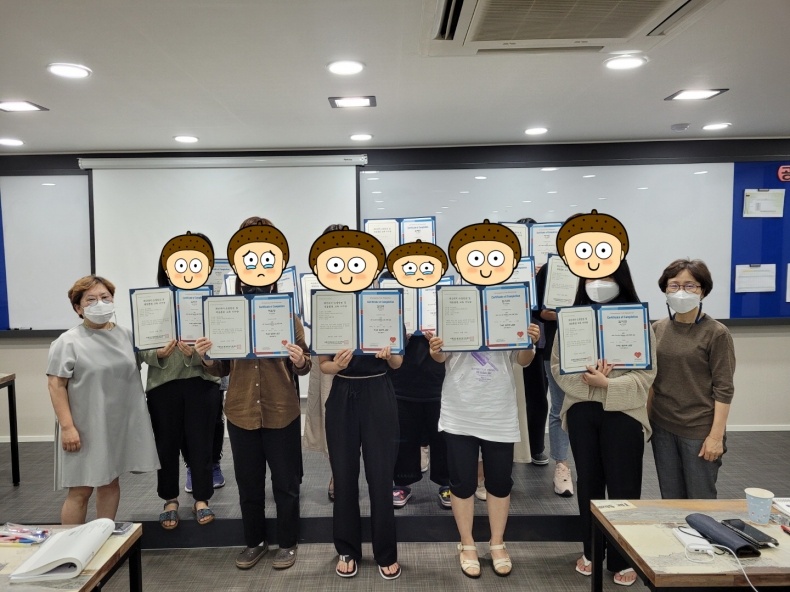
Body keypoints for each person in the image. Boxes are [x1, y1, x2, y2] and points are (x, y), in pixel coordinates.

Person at [195, 216, 311, 572]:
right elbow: (220, 368)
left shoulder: (287, 313)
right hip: (241, 411)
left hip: (282, 409)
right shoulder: (226, 314)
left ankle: (287, 543)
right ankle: (254, 542)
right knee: (248, 484)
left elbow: (304, 364)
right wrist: (206, 356)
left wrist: (299, 359)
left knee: (285, 483)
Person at [550, 258, 656, 587]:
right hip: (582, 411)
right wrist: (591, 385)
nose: (598, 282)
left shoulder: (638, 319)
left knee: (624, 486)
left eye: (606, 274)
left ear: (620, 277)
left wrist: (608, 385)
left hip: (625, 413)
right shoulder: (571, 319)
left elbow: (647, 374)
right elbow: (557, 366)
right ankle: (592, 550)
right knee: (589, 484)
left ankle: (624, 556)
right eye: (590, 276)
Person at [429, 324, 541, 578]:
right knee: (462, 482)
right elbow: (440, 357)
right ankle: (467, 543)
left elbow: (523, 360)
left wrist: (530, 341)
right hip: (460, 409)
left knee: (500, 481)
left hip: (499, 409)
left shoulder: (509, 309)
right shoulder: (455, 308)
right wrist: (435, 349)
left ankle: (497, 543)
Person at [47, 275, 159, 524]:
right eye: (91, 299)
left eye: (105, 297)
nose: (100, 303)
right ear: (78, 308)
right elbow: (56, 385)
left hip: (116, 424)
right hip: (83, 426)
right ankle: (71, 542)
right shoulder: (67, 342)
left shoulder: (127, 336)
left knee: (110, 482)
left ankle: (104, 536)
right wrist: (67, 427)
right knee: (81, 489)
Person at [140, 239, 223, 529]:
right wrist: (157, 354)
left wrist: (201, 355)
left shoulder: (210, 303)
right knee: (166, 446)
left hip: (202, 382)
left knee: (202, 444)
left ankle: (202, 499)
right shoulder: (151, 303)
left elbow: (223, 346)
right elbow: (141, 349)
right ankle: (170, 500)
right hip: (163, 385)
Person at [318, 302, 403, 578]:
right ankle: (347, 549)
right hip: (342, 392)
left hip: (378, 390)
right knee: (343, 475)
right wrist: (337, 364)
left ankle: (386, 552)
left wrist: (390, 355)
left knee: (381, 476)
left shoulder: (385, 308)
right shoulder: (329, 311)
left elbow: (398, 363)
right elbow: (324, 365)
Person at [650, 258, 735, 499]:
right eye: (674, 285)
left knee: (701, 500)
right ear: (665, 289)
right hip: (663, 426)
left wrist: (716, 437)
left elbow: (724, 389)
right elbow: (652, 381)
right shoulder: (657, 329)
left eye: (690, 286)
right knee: (671, 499)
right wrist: (646, 423)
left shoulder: (717, 333)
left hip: (699, 430)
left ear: (703, 291)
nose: (681, 291)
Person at [379, 268, 450, 509]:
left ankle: (446, 482)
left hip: (436, 377)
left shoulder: (439, 288)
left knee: (442, 435)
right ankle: (401, 483)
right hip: (401, 377)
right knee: (403, 435)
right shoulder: (391, 285)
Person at [302, 223, 345, 501]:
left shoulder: (365, 278)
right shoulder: (315, 286)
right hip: (327, 356)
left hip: (359, 359)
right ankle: (336, 473)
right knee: (331, 415)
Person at [532, 259, 574, 497]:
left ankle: (591, 464)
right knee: (559, 408)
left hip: (596, 350)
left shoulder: (603, 269)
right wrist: (568, 315)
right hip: (556, 349)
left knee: (590, 409)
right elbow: (538, 310)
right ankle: (562, 465)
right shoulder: (553, 268)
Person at [516, 217, 551, 469]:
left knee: (537, 396)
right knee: (509, 396)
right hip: (505, 340)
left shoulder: (549, 269)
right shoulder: (502, 265)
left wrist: (540, 278)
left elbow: (549, 306)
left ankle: (537, 446)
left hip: (537, 339)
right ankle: (510, 447)